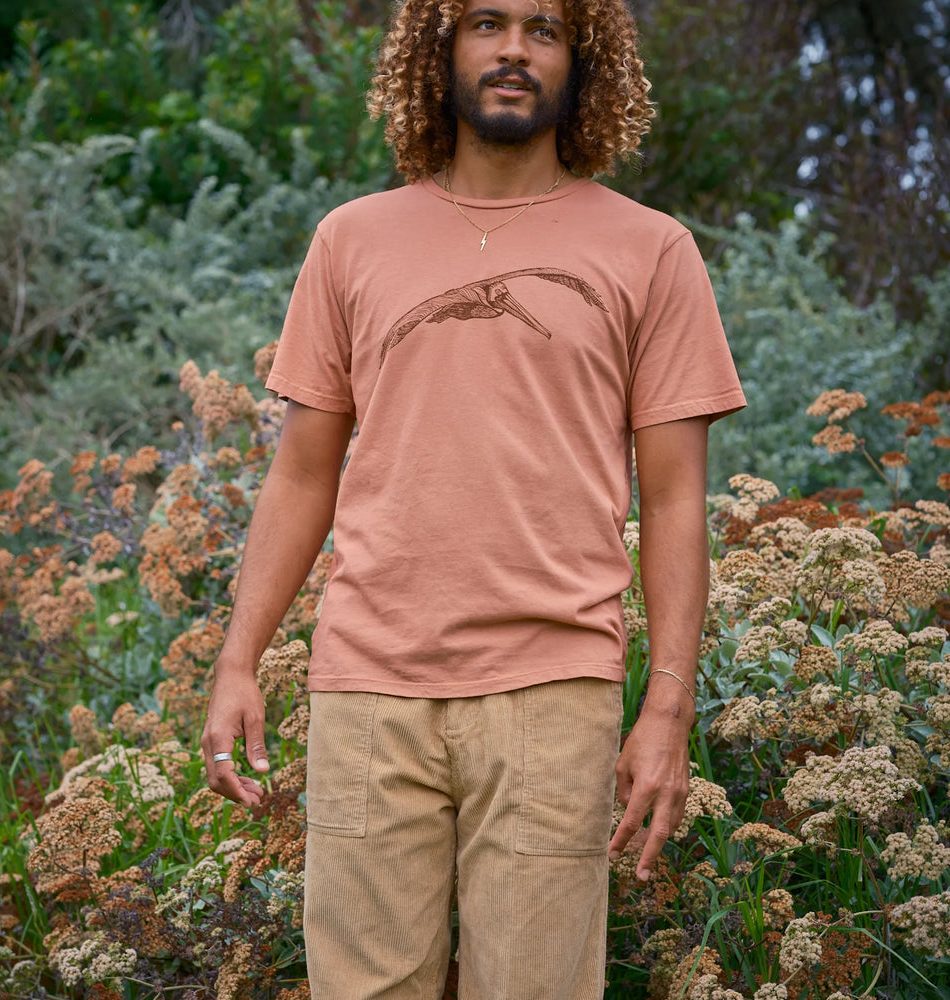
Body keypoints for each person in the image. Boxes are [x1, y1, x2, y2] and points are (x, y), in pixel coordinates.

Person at [201, 0, 746, 996]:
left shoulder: (650, 251)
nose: (511, 50)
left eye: (543, 30)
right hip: (367, 686)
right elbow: (301, 472)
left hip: (552, 689)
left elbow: (673, 502)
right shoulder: (351, 240)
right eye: (485, 23)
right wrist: (239, 659)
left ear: (583, 63)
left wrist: (665, 707)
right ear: (438, 47)